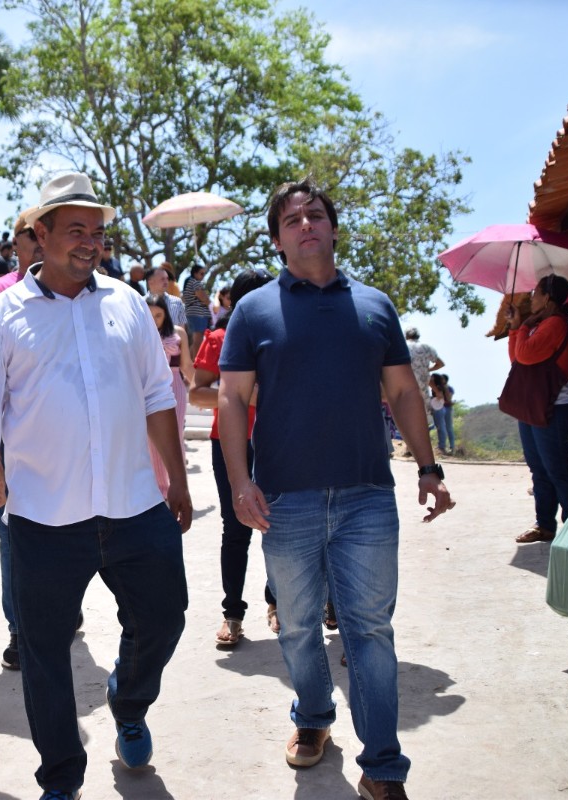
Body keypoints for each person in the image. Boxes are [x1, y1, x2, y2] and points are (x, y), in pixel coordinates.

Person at [0, 172, 191, 800]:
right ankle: (60, 778)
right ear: (40, 235)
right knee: (44, 653)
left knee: (166, 616)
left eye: (98, 232)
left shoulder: (127, 303)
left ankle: (129, 699)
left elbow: (155, 396)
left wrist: (177, 481)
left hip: (134, 503)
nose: (90, 243)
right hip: (42, 518)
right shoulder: (2, 317)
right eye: (76, 230)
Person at [219, 181, 452, 800]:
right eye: (292, 219)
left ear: (332, 227)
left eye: (315, 214)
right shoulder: (253, 311)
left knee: (369, 629)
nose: (305, 224)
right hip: (285, 499)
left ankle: (383, 767)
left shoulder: (375, 306)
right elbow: (232, 399)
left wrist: (429, 468)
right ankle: (314, 717)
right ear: (278, 239)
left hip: (367, 496)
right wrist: (240, 482)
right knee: (296, 626)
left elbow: (403, 391)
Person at [189, 269, 278, 647]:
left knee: (284, 526)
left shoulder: (281, 338)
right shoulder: (218, 338)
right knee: (236, 528)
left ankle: (280, 604)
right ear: (233, 302)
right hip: (229, 444)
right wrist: (245, 394)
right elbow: (197, 393)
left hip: (280, 442)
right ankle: (233, 614)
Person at [0, 209, 44, 669]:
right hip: (8, 451)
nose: (37, 242)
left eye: (44, 233)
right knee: (14, 539)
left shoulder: (76, 295)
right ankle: (19, 629)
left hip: (58, 448)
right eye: (28, 235)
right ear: (12, 244)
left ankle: (56, 609)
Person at [507, 275, 568, 544]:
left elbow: (525, 355)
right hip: (534, 405)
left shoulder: (555, 323)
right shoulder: (540, 324)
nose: (531, 298)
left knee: (558, 468)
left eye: (535, 293)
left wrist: (524, 327)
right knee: (539, 468)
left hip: (554, 406)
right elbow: (517, 359)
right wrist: (516, 328)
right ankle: (545, 524)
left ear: (548, 298)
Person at [144, 292, 191, 496]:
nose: (154, 320)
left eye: (158, 315)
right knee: (149, 440)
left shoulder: (178, 333)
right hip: (146, 389)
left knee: (175, 435)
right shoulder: (137, 334)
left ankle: (177, 487)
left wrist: (198, 388)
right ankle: (157, 490)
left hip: (175, 387)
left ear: (166, 315)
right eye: (150, 314)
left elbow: (187, 365)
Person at [404, 327, 444, 417]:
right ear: (418, 336)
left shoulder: (402, 347)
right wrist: (427, 369)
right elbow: (440, 364)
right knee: (423, 419)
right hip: (422, 391)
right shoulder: (427, 347)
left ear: (406, 336)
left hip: (405, 390)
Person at [182, 264, 212, 356]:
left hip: (192, 313)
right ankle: (196, 363)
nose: (203, 276)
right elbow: (204, 299)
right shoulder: (195, 282)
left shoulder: (189, 283)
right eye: (201, 273)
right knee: (198, 340)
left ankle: (191, 361)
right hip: (198, 314)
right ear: (195, 273)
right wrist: (207, 300)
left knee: (194, 341)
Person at [429, 373, 455, 456]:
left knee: (444, 427)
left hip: (440, 408)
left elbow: (447, 399)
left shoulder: (441, 388)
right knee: (443, 427)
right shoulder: (439, 387)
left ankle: (446, 446)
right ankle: (445, 446)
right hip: (441, 407)